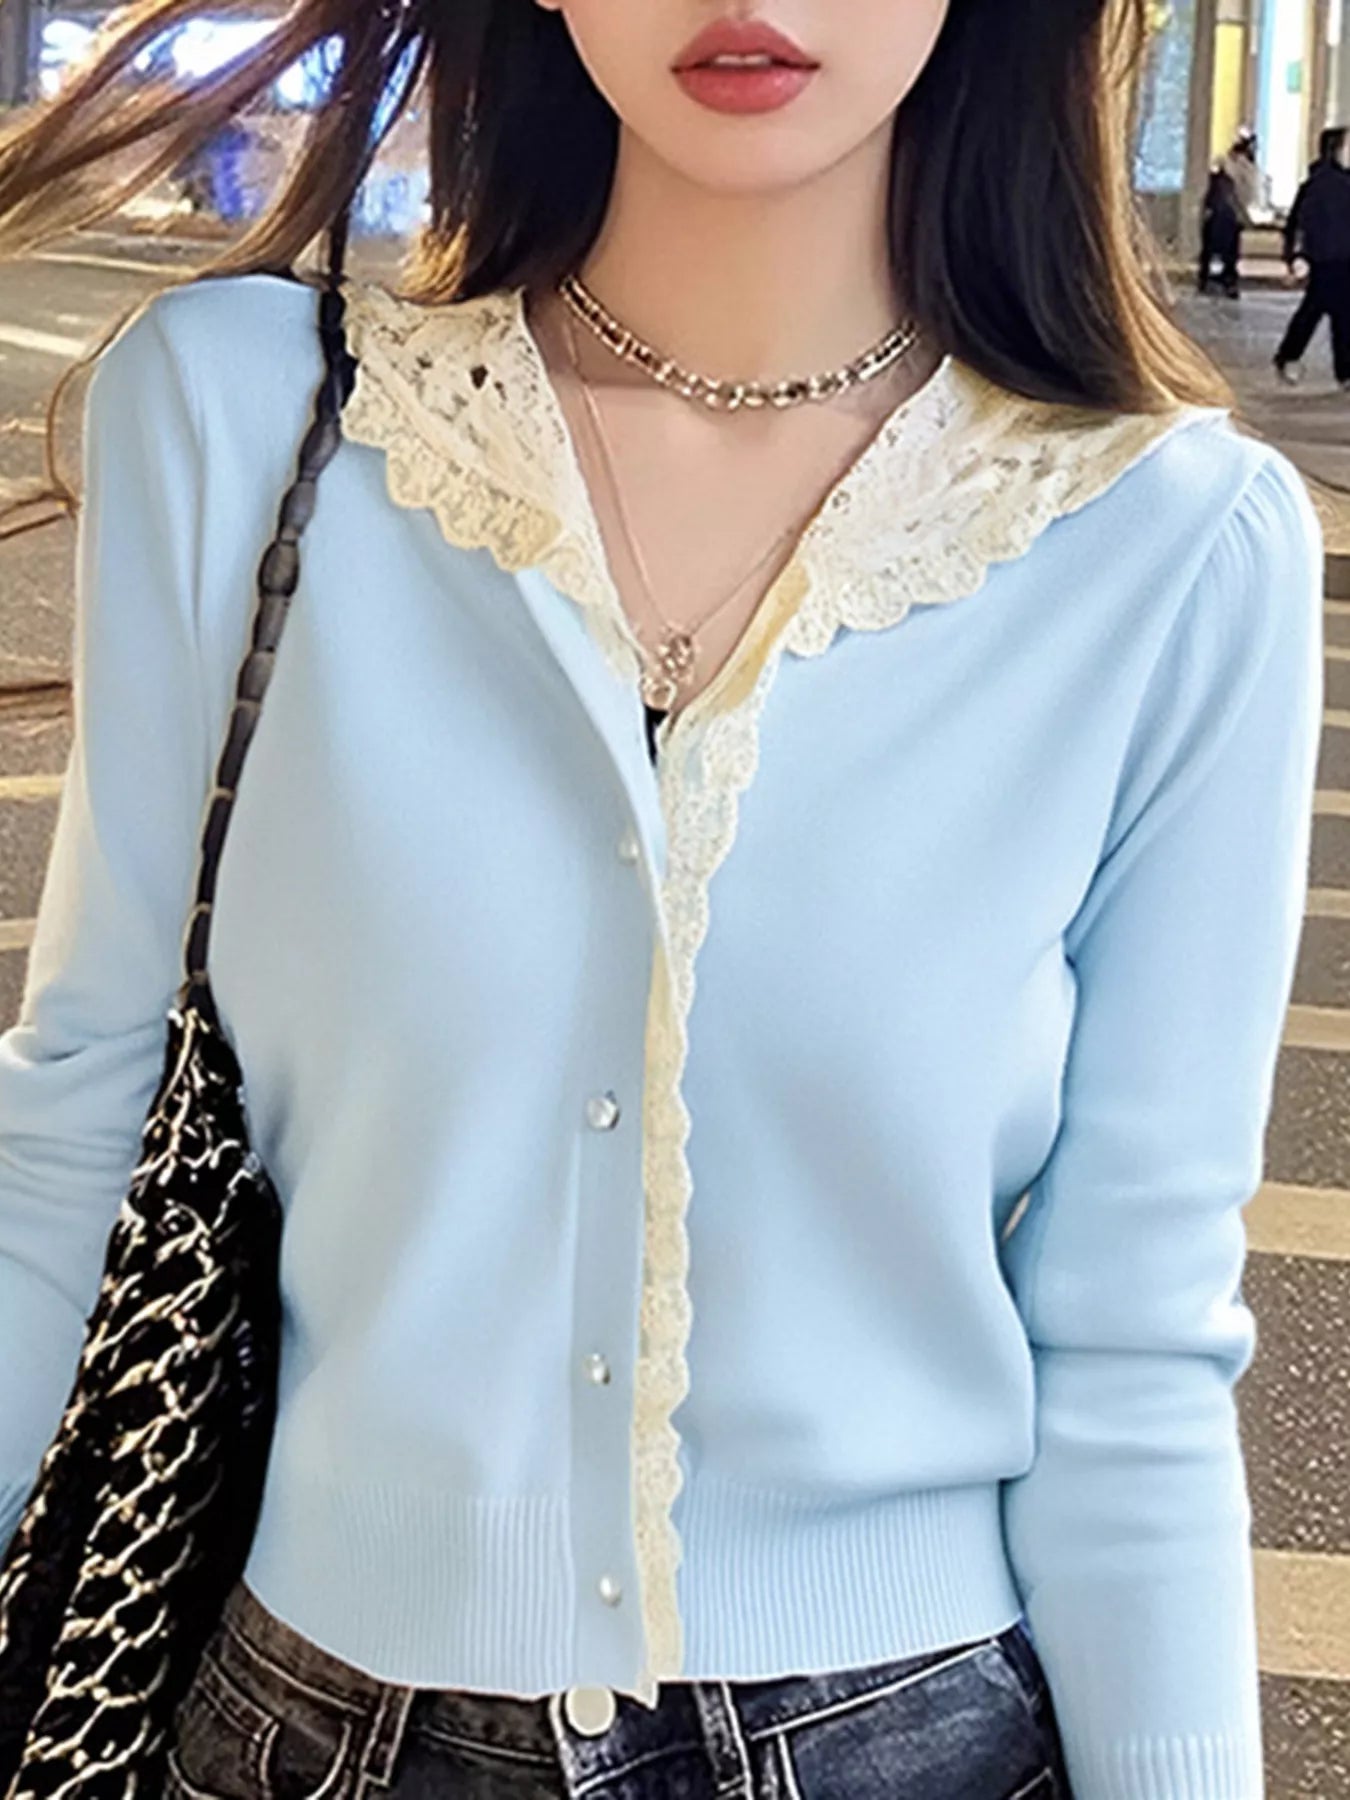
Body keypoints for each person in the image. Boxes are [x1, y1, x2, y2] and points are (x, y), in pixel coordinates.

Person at [0, 2, 1323, 1797]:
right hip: (304, 1734)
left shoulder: (1172, 547)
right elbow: (74, 1133)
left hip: (912, 1743)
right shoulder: (247, 422)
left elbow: (1132, 1344)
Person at [1274, 124, 1350, 387]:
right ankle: (1291, 356)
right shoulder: (1321, 185)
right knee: (1320, 311)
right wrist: (1298, 255)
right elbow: (1300, 223)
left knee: (1337, 313)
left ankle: (1340, 369)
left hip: (1340, 258)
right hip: (1326, 258)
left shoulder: (1337, 182)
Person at [1199, 127, 1260, 297]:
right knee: (1224, 251)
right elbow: (1241, 194)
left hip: (1224, 214)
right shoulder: (1233, 165)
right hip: (1227, 214)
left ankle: (1216, 280)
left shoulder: (1237, 164)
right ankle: (1222, 281)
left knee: (1220, 251)